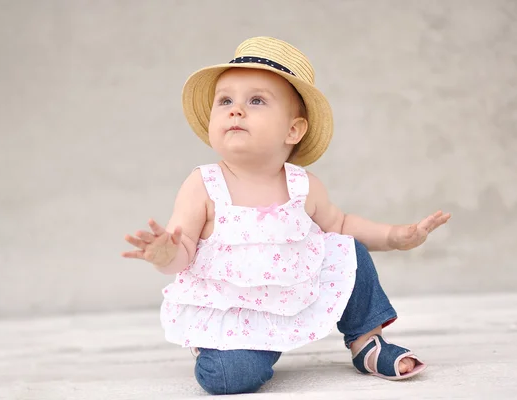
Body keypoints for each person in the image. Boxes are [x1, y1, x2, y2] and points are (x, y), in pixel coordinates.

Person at [122, 36, 451, 395]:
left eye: (256, 100)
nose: (236, 110)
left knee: (347, 249)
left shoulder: (302, 185)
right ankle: (218, 345)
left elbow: (339, 226)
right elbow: (182, 248)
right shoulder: (204, 184)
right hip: (235, 312)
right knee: (229, 378)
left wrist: (395, 237)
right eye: (226, 100)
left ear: (293, 130)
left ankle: (366, 341)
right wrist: (166, 254)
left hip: (292, 294)